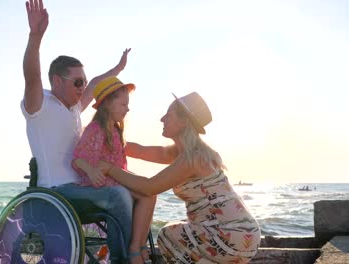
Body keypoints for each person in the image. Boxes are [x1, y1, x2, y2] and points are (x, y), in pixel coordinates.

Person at [21, 0, 134, 262]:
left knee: (133, 191)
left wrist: (117, 70)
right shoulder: (39, 106)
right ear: (57, 81)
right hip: (56, 192)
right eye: (78, 82)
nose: (84, 88)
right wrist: (35, 37)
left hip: (81, 186)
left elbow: (96, 83)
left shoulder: (73, 108)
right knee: (118, 195)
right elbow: (31, 75)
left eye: (83, 81)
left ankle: (131, 253)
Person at [99, 92, 262, 263]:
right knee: (178, 229)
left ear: (184, 122)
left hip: (230, 235)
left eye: (168, 115)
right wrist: (104, 139)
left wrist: (109, 169)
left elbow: (148, 187)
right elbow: (139, 151)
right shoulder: (181, 153)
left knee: (167, 235)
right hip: (243, 234)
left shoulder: (193, 158)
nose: (162, 119)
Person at [72, 77, 157, 264]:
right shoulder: (95, 129)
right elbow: (77, 158)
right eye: (123, 104)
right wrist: (92, 171)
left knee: (150, 193)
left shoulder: (116, 131)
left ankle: (139, 245)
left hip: (116, 179)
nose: (127, 108)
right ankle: (134, 251)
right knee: (144, 194)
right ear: (108, 104)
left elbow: (120, 166)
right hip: (102, 184)